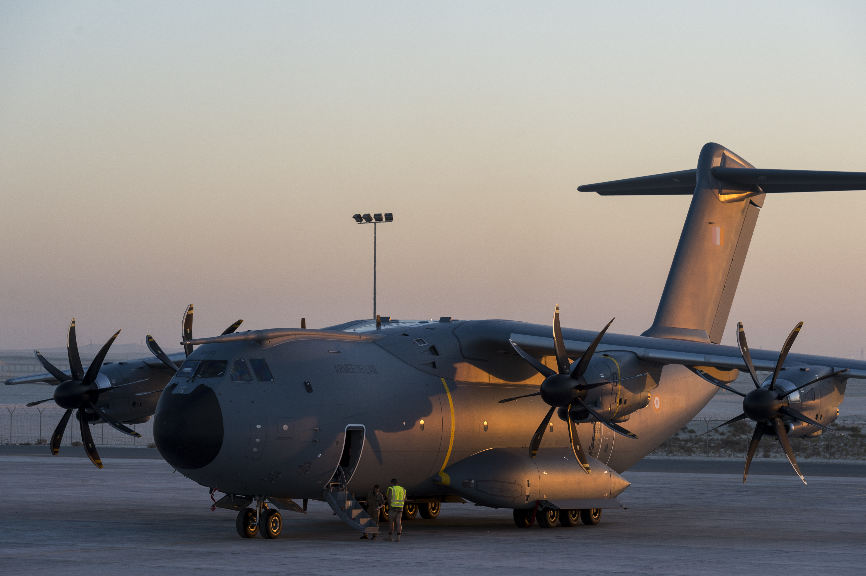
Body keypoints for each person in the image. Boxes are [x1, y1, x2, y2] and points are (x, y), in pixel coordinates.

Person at [386, 478, 406, 542]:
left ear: (392, 483)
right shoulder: (402, 489)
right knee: (398, 522)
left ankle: (390, 537)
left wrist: (389, 506)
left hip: (392, 508)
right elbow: (405, 499)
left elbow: (389, 498)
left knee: (391, 523)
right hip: (400, 508)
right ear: (397, 483)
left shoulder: (391, 489)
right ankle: (398, 538)